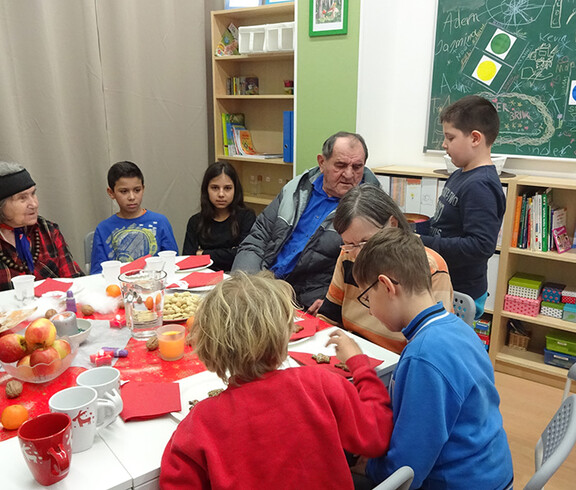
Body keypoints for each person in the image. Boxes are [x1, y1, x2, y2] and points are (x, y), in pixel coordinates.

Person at [160, 271, 393, 489]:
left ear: (207, 347)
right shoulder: (320, 383)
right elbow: (375, 438)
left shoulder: (199, 423)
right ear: (285, 333)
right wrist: (360, 365)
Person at [339, 227, 514, 488]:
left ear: (386, 286)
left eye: (367, 298)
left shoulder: (424, 356)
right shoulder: (458, 329)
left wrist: (367, 465)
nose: (371, 312)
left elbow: (406, 470)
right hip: (489, 471)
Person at [231, 131, 381, 309]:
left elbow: (364, 276)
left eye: (357, 167)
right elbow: (257, 238)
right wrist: (244, 283)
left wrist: (331, 303)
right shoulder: (296, 189)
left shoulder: (369, 209)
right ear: (322, 162)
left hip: (307, 299)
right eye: (340, 165)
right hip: (264, 284)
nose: (349, 175)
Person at [315, 184, 453, 354]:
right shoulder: (347, 256)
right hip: (354, 353)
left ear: (393, 224)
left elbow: (431, 344)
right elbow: (329, 317)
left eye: (366, 242)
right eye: (350, 244)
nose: (358, 254)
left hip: (398, 362)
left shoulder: (429, 266)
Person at [420, 95, 506, 319]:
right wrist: (410, 230)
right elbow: (443, 224)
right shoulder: (460, 175)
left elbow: (480, 247)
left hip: (460, 294)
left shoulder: (481, 186)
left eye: (450, 137)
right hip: (445, 281)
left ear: (475, 138)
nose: (444, 144)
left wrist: (421, 243)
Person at [0, 161, 84, 291]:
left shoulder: (48, 230)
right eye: (22, 198)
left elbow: (74, 280)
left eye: (33, 194)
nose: (33, 204)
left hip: (57, 308)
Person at [90, 161, 178, 274]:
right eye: (124, 191)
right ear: (111, 193)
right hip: (118, 288)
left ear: (143, 188)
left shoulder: (160, 222)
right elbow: (98, 273)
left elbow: (172, 264)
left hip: (155, 286)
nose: (132, 197)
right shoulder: (103, 228)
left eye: (137, 190)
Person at [182, 162, 255, 271]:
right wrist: (229, 252)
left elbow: (244, 255)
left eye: (227, 188)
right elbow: (188, 259)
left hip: (237, 279)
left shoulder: (246, 217)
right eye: (215, 188)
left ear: (235, 189)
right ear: (206, 190)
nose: (221, 194)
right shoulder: (195, 221)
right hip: (203, 279)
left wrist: (203, 254)